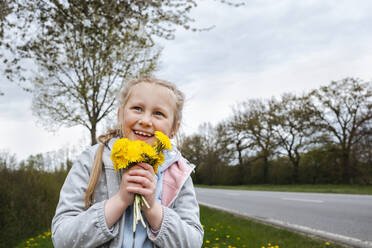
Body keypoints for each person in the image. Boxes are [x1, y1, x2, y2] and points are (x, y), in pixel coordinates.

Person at [51, 77, 204, 248]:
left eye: (158, 113)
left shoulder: (178, 172)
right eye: (137, 108)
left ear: (174, 129)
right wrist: (120, 200)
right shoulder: (91, 161)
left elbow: (193, 242)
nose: (146, 120)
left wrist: (153, 208)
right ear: (120, 114)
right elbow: (62, 239)